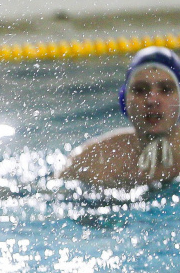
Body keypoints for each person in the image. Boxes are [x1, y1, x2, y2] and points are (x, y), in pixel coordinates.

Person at [57, 46, 180, 188]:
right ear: (125, 100)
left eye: (165, 89)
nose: (152, 100)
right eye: (140, 90)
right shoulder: (91, 162)